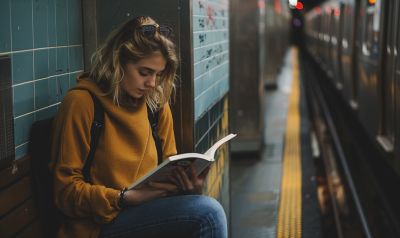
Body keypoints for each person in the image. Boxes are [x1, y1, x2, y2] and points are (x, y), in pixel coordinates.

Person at [49, 16, 227, 238]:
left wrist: (189, 187)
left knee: (204, 208)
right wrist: (122, 198)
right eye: (144, 72)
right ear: (118, 62)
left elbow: (168, 168)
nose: (152, 83)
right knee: (208, 214)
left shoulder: (155, 106)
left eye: (157, 74)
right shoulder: (82, 103)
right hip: (99, 225)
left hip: (147, 213)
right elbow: (64, 193)